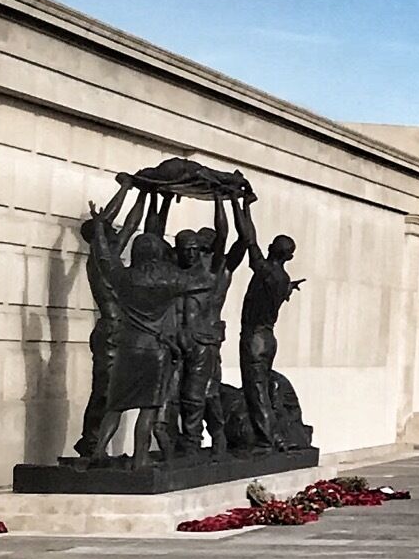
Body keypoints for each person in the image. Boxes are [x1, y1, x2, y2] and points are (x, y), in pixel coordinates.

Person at [95, 226, 215, 468]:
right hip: (155, 350)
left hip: (127, 348)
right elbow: (204, 282)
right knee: (148, 408)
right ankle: (141, 457)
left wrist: (99, 229)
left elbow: (105, 259)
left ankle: (98, 452)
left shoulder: (124, 277)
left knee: (115, 406)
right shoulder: (168, 278)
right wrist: (201, 252)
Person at [170, 198, 245, 456]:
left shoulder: (214, 273)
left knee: (198, 394)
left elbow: (235, 238)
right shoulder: (182, 273)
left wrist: (223, 199)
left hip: (204, 340)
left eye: (203, 249)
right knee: (198, 392)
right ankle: (209, 439)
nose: (198, 254)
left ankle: (196, 442)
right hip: (181, 341)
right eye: (193, 249)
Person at [72, 175, 138, 461]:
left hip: (119, 332)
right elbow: (104, 222)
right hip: (110, 331)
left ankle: (94, 443)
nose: (115, 233)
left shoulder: (110, 259)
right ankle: (91, 443)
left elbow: (131, 226)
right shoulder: (99, 260)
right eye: (109, 231)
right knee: (104, 392)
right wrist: (125, 188)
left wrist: (143, 195)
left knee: (113, 393)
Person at [235, 197, 305, 450]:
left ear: (271, 249)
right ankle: (274, 436)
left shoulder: (266, 271)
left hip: (255, 339)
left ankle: (268, 440)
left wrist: (241, 205)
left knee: (256, 393)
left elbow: (248, 239)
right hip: (267, 339)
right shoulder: (282, 278)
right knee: (260, 389)